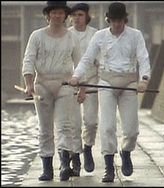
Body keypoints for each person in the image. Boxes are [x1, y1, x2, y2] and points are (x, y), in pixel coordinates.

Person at [68, 2, 151, 183]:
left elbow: (143, 58)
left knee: (131, 130)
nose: (117, 24)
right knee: (107, 126)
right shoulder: (99, 36)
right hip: (106, 82)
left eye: (120, 21)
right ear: (108, 20)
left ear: (125, 20)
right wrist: (76, 77)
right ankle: (108, 166)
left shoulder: (135, 36)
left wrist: (144, 80)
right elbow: (87, 59)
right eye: (113, 21)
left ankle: (126, 151)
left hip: (129, 81)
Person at [22, 1, 81, 181]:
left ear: (65, 15)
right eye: (54, 12)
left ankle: (64, 164)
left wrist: (80, 85)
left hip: (65, 84)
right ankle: (47, 168)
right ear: (48, 15)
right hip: (43, 84)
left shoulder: (72, 37)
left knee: (64, 125)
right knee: (45, 128)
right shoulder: (37, 36)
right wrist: (29, 83)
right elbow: (29, 60)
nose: (57, 16)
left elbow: (79, 64)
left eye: (60, 12)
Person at [68, 3, 99, 174]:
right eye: (74, 15)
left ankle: (87, 147)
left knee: (91, 121)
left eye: (80, 15)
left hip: (91, 82)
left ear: (87, 16)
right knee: (73, 124)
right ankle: (76, 156)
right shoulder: (66, 35)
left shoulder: (95, 35)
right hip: (70, 84)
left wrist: (85, 86)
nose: (76, 18)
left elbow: (98, 61)